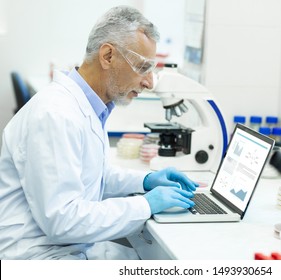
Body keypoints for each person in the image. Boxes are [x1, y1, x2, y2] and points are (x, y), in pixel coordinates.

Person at [0, 6, 197, 260]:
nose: (148, 82)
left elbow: (91, 175)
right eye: (143, 67)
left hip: (66, 248)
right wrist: (146, 204)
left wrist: (145, 181)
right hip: (37, 258)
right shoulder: (56, 114)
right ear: (107, 56)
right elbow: (63, 221)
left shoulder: (88, 107)